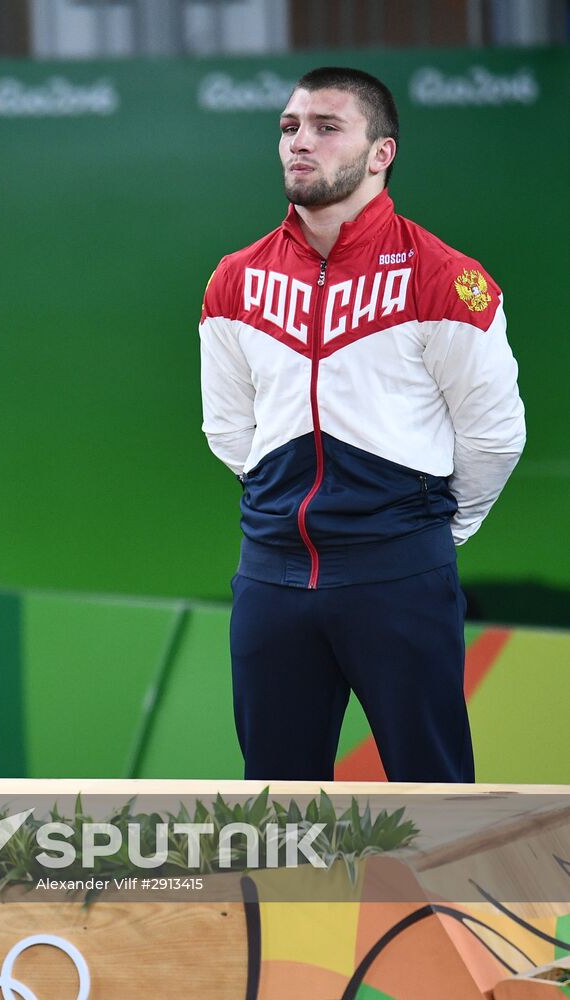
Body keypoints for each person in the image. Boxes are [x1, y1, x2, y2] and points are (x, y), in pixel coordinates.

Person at [198, 67, 524, 783]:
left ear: (381, 153)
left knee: (436, 807)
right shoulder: (235, 279)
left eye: (326, 127)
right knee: (275, 818)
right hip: (271, 580)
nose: (299, 144)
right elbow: (227, 429)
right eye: (290, 128)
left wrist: (424, 529)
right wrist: (284, 509)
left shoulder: (445, 277)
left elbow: (494, 435)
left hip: (399, 578)